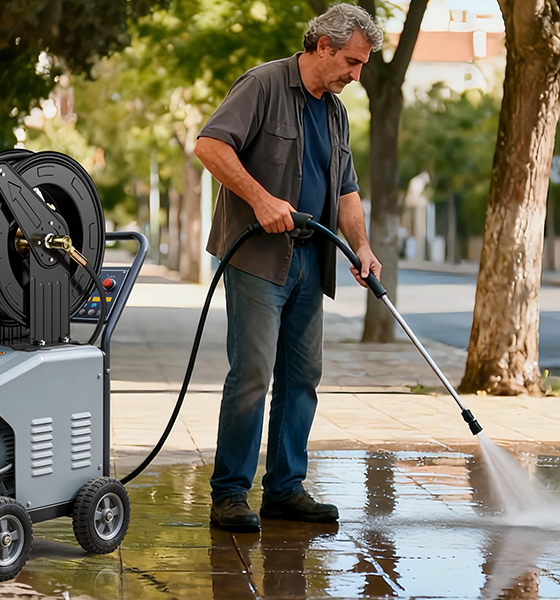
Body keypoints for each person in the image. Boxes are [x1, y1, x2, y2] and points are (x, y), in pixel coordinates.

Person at [193, 3, 385, 532]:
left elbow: (346, 188)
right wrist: (260, 200)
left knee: (302, 377)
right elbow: (209, 146)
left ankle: (284, 489)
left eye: (362, 64)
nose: (356, 73)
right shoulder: (263, 85)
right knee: (253, 373)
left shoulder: (336, 112)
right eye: (351, 61)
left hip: (311, 259)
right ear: (323, 46)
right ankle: (229, 493)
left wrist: (361, 248)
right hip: (257, 257)